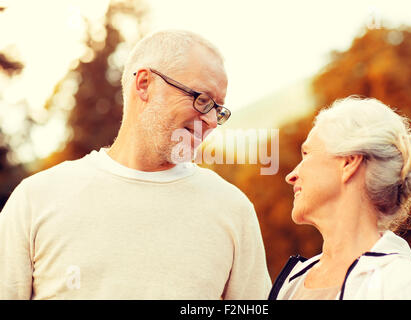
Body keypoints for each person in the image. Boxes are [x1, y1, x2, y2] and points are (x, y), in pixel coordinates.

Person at [0, 30, 272, 299]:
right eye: (202, 100)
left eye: (219, 109)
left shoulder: (233, 210)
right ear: (144, 84)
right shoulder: (35, 200)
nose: (212, 121)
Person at [269, 96, 411, 300]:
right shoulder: (292, 284)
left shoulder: (409, 287)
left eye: (306, 154)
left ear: (349, 162)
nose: (291, 175)